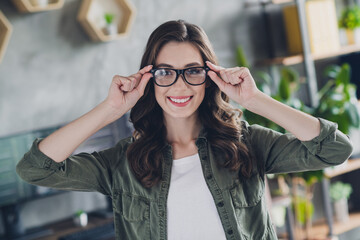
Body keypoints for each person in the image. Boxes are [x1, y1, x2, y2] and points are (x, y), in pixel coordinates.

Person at [16, 20, 353, 240]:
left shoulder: (246, 142)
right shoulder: (124, 162)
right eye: (165, 72)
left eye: (192, 71)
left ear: (210, 77)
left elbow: (334, 149)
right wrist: (110, 109)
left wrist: (255, 100)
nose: (179, 86)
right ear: (150, 78)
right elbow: (35, 168)